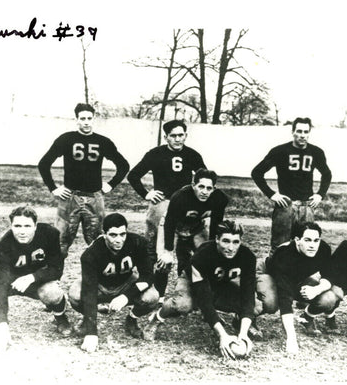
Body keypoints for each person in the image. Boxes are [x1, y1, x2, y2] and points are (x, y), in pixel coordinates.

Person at [144, 220, 257, 359]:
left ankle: (239, 324)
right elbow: (203, 297)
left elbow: (248, 294)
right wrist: (222, 335)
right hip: (193, 283)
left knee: (256, 306)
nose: (231, 247)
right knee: (183, 304)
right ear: (216, 239)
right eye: (226, 241)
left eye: (235, 242)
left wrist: (244, 334)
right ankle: (157, 318)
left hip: (220, 284)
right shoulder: (203, 255)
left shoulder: (248, 257)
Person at [0, 206, 72, 352]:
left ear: (35, 226)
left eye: (27, 226)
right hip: (9, 279)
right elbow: (0, 286)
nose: (22, 231)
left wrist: (33, 277)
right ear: (11, 226)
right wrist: (2, 325)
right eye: (17, 226)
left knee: (52, 292)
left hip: (36, 279)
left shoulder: (50, 234)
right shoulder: (2, 248)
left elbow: (56, 269)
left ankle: (61, 318)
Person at [127, 119, 206, 299]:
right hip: (162, 204)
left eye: (181, 135)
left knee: (184, 248)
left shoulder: (193, 155)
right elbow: (133, 175)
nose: (178, 139)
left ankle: (182, 291)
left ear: (186, 135)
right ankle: (155, 292)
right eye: (173, 136)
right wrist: (146, 194)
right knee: (156, 248)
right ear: (166, 137)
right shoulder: (155, 154)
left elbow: (204, 179)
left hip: (185, 204)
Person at [38, 103, 130, 257]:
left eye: (89, 118)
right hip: (70, 197)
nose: (86, 122)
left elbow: (123, 165)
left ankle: (99, 280)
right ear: (76, 120)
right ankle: (53, 280)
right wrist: (54, 188)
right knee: (60, 243)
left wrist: (110, 185)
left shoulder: (103, 141)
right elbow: (44, 163)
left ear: (94, 119)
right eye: (82, 118)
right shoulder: (66, 139)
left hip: (94, 197)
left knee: (99, 243)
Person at [68, 213, 159, 353]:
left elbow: (148, 276)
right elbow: (89, 289)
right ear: (104, 234)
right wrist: (91, 333)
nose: (119, 240)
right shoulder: (91, 253)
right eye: (113, 235)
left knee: (152, 296)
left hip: (126, 283)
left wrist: (126, 297)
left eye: (123, 234)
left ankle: (132, 318)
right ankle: (88, 319)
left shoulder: (137, 242)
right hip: (99, 285)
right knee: (75, 294)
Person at [256, 222, 341, 353]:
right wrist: (291, 338)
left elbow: (330, 275)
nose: (313, 245)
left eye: (316, 240)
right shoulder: (284, 255)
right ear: (297, 240)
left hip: (298, 278)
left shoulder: (323, 248)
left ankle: (307, 317)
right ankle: (245, 318)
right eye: (307, 240)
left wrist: (315, 290)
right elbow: (285, 299)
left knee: (330, 297)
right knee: (271, 303)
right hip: (268, 273)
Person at [251, 117, 332, 253]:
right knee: (280, 246)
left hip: (307, 206)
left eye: (306, 132)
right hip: (286, 205)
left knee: (306, 246)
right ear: (293, 131)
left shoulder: (316, 152)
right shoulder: (280, 151)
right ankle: (275, 273)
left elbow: (327, 174)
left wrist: (320, 194)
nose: (302, 135)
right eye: (299, 131)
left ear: (309, 133)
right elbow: (257, 172)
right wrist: (272, 194)